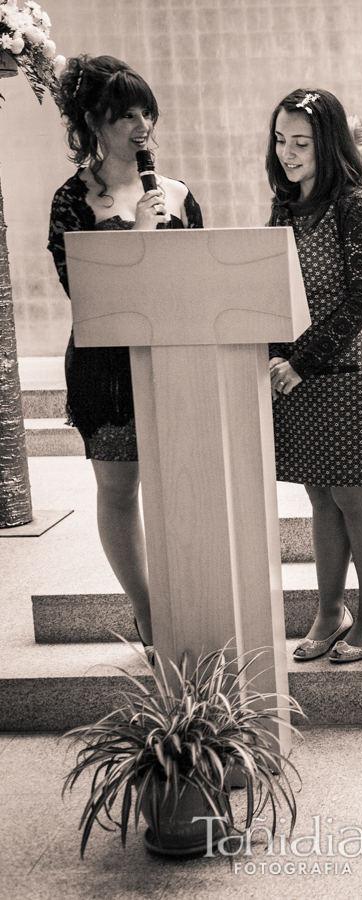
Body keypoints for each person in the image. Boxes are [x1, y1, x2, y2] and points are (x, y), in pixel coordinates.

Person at [48, 55, 203, 661]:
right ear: (94, 121)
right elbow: (82, 293)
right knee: (118, 487)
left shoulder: (179, 193)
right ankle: (145, 609)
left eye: (147, 112)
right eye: (126, 115)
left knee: (186, 482)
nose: (142, 126)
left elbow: (202, 283)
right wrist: (136, 236)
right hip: (106, 369)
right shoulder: (71, 199)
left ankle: (193, 598)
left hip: (176, 359)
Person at [266, 88, 362, 664]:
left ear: (329, 143)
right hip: (291, 371)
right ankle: (329, 609)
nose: (287, 153)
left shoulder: (355, 205)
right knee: (318, 499)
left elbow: (361, 301)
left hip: (335, 367)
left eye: (301, 142)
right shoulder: (285, 204)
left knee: (351, 496)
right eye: (280, 140)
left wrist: (301, 361)